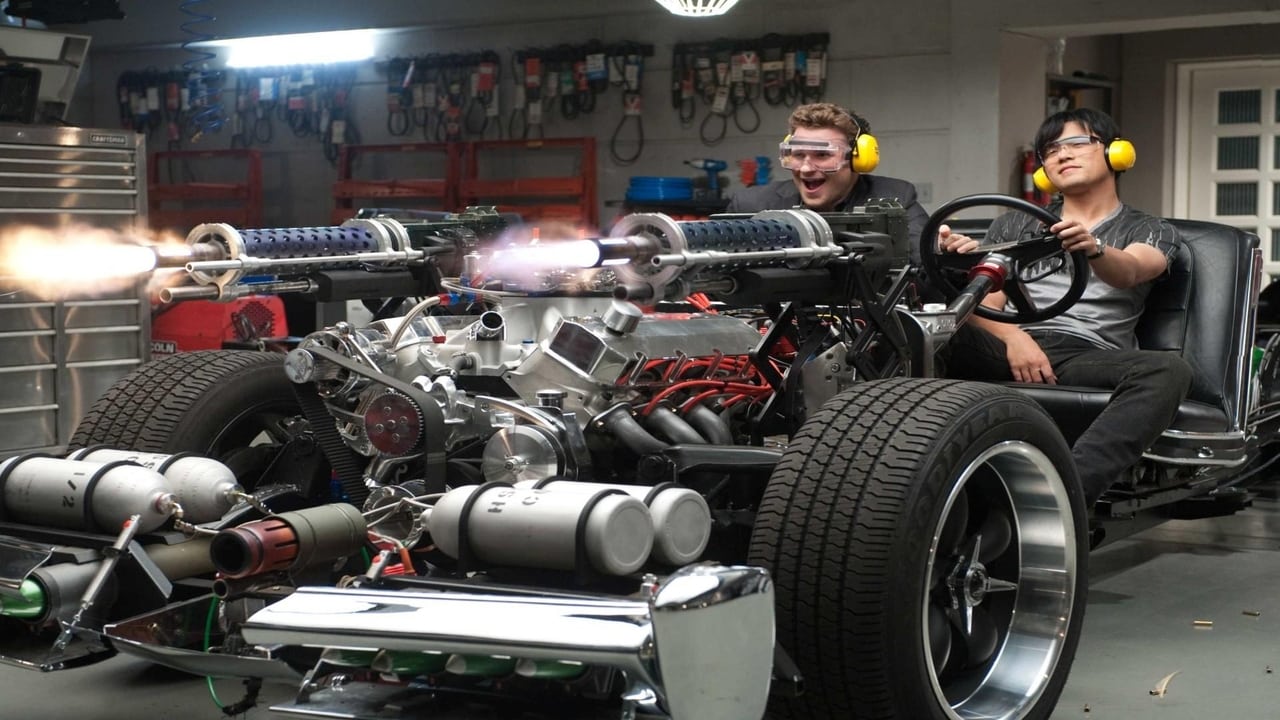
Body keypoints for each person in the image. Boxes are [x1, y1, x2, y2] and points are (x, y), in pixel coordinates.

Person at [938, 107, 1191, 509]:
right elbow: (988, 306)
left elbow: (1131, 270)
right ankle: (913, 475)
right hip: (1012, 343)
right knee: (919, 331)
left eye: (1076, 142)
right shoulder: (1014, 225)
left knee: (1168, 371)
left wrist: (1095, 249)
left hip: (1085, 354)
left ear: (1116, 152)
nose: (1062, 154)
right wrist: (1013, 337)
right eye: (1051, 150)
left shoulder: (1150, 229)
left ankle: (1064, 497)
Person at [725, 102, 929, 247]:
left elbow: (925, 267)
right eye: (798, 155)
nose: (806, 168)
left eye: (822, 155)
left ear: (857, 158)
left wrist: (940, 251)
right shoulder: (751, 206)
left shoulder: (895, 198)